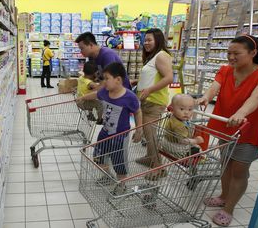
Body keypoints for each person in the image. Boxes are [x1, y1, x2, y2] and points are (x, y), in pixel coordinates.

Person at [197, 35, 258, 227]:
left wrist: (241, 112)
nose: (231, 57)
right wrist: (205, 98)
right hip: (226, 125)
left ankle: (229, 208)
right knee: (226, 163)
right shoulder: (226, 71)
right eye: (229, 53)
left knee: (239, 170)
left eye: (236, 53)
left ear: (253, 53)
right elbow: (214, 87)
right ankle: (224, 196)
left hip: (249, 128)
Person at [78, 62, 142, 183]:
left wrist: (139, 129)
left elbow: (138, 112)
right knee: (98, 158)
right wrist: (82, 98)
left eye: (106, 79)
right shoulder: (105, 92)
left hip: (120, 137)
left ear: (118, 80)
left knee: (119, 163)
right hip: (104, 133)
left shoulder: (129, 97)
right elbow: (96, 94)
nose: (103, 82)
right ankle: (108, 176)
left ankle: (122, 184)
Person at [133, 28, 173, 181]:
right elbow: (154, 76)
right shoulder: (154, 57)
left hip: (154, 101)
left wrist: (149, 89)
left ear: (158, 40)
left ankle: (158, 168)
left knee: (150, 135)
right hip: (147, 101)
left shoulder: (161, 55)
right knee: (148, 134)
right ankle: (150, 157)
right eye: (145, 40)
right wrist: (138, 82)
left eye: (149, 40)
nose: (146, 43)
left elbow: (169, 78)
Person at [162, 94, 203, 158]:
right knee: (198, 149)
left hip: (168, 143)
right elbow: (182, 140)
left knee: (195, 146)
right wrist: (196, 141)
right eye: (182, 109)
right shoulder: (179, 125)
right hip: (176, 148)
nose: (186, 112)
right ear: (172, 109)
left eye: (190, 109)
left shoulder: (174, 117)